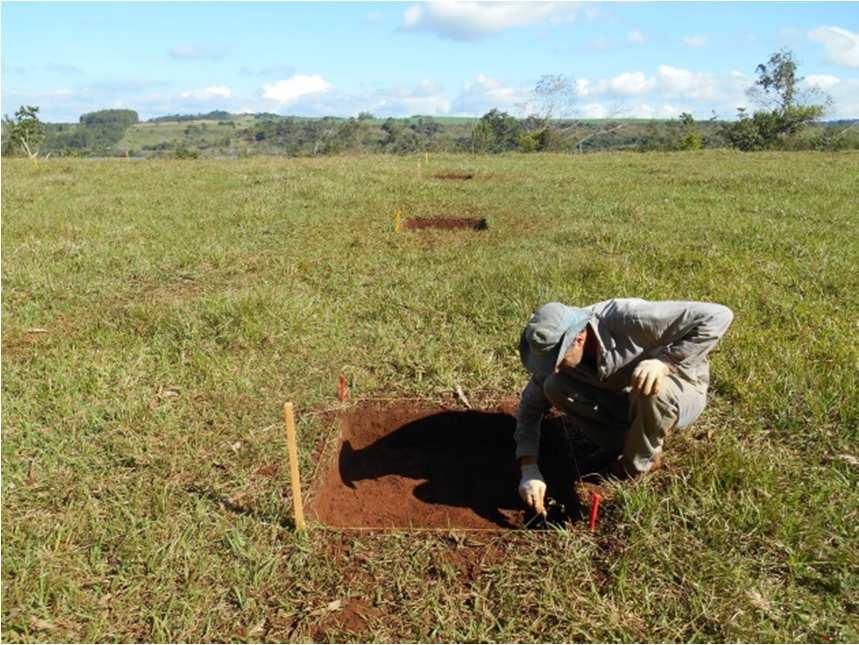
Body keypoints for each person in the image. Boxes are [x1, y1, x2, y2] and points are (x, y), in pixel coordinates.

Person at [515, 298, 734, 516]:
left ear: (579, 339)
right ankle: (624, 443)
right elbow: (530, 408)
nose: (554, 367)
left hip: (680, 386)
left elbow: (719, 315)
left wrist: (664, 362)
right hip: (624, 397)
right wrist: (529, 469)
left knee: (650, 388)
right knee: (553, 385)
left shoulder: (629, 318)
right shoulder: (558, 358)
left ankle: (637, 466)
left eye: (558, 360)